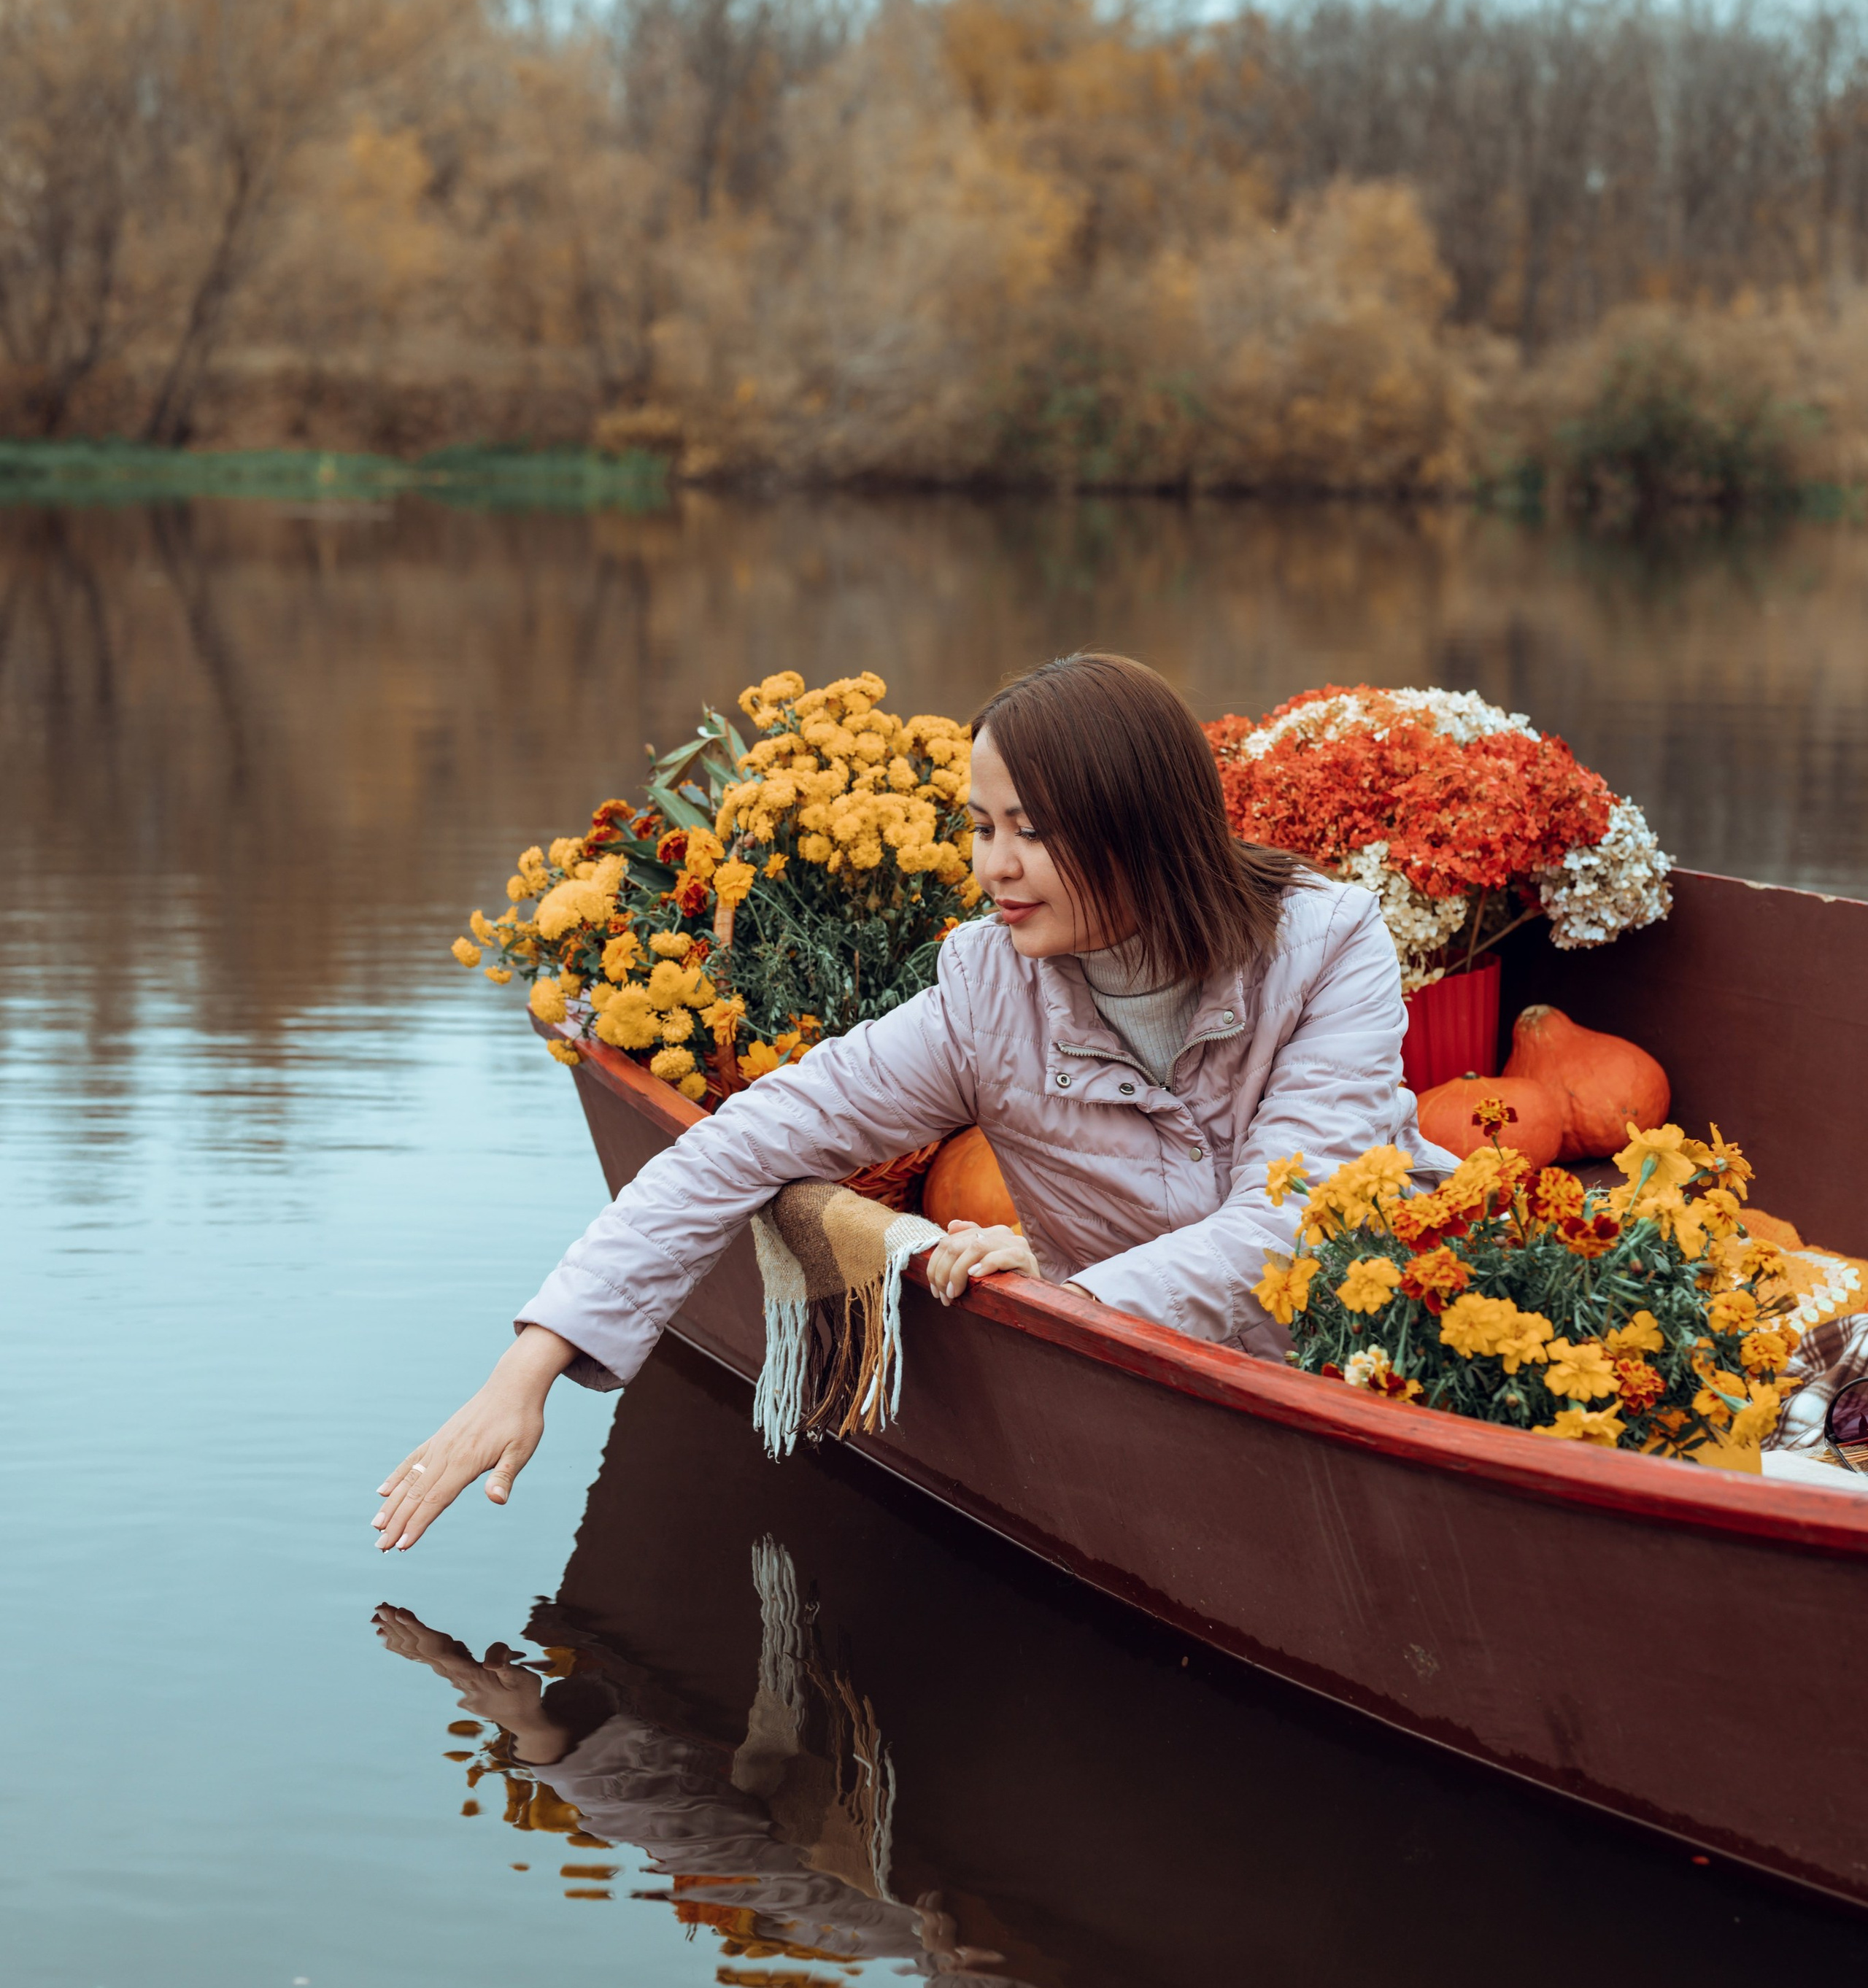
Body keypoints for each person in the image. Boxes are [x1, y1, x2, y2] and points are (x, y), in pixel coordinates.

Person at [374, 652, 1446, 1552]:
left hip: (1394, 1333)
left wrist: (1077, 1296)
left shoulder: (1326, 948)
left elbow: (1296, 1224)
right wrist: (533, 1360)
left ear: (1140, 825)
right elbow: (745, 1142)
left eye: (1030, 829)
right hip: (1142, 1374)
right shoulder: (991, 990)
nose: (993, 866)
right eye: (980, 827)